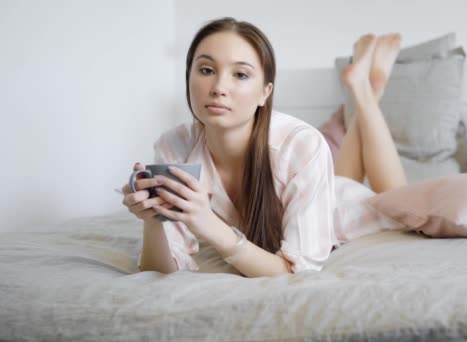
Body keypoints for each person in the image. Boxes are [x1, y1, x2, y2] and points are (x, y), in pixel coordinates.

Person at [120, 17, 407, 277]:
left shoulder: (301, 144)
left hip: (343, 206)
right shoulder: (174, 146)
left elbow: (295, 273)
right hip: (320, 184)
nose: (219, 86)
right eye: (206, 70)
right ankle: (364, 87)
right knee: (343, 173)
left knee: (397, 198)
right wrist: (152, 221)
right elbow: (158, 271)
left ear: (265, 93)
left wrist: (208, 223)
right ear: (188, 78)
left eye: (240, 75)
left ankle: (367, 91)